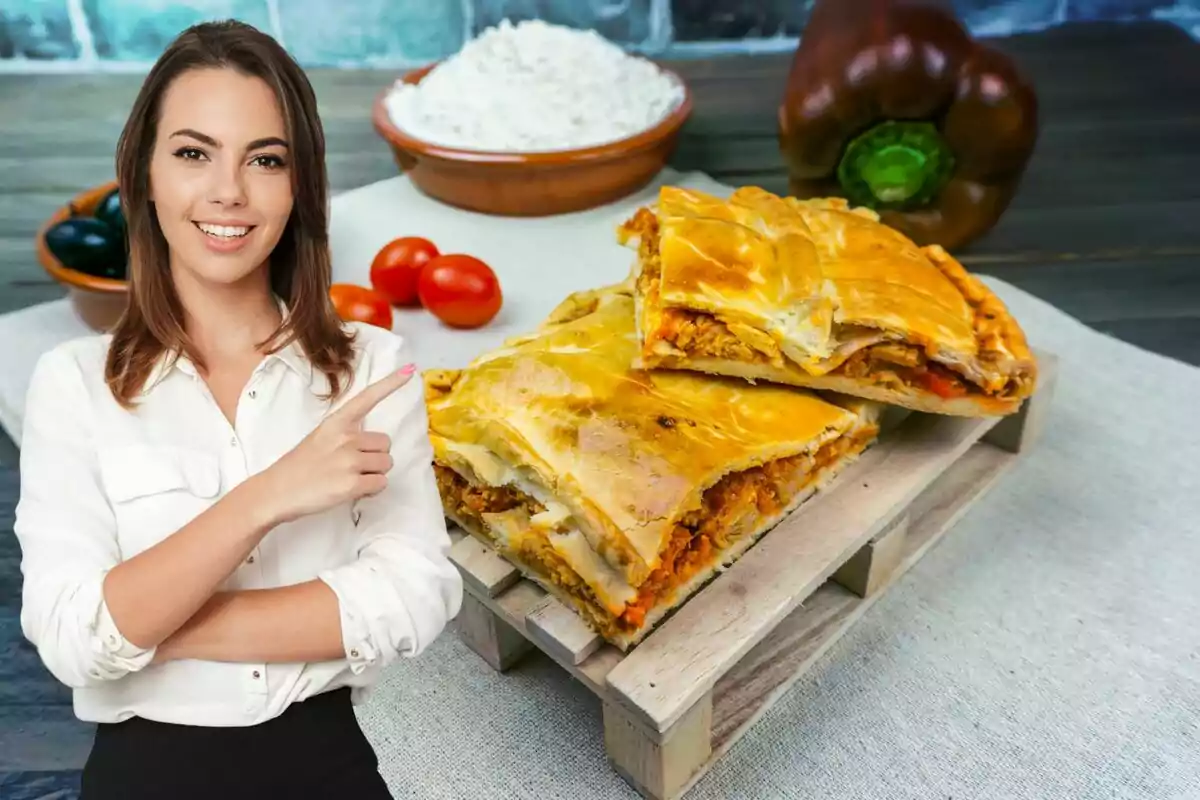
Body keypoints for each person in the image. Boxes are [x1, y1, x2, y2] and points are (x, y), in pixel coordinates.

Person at [12, 19, 462, 800]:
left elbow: (416, 597)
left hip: (326, 761)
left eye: (265, 159)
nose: (228, 191)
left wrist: (146, 626)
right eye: (193, 153)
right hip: (141, 773)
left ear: (299, 186)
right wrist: (271, 494)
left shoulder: (370, 369)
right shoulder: (71, 381)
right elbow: (68, 641)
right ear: (144, 176)